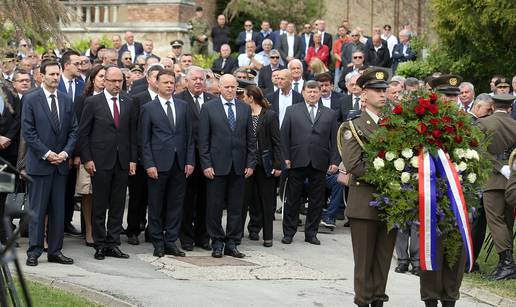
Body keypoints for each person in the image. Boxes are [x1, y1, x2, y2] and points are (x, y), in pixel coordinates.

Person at [339, 67, 396, 307]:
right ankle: (363, 300)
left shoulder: (396, 124)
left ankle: (379, 299)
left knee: (383, 259)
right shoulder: (353, 126)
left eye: (385, 89)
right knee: (364, 260)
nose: (382, 94)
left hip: (393, 201)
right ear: (364, 93)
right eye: (376, 90)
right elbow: (355, 164)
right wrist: (391, 177)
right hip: (365, 202)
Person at [23, 60, 78, 266]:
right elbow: (28, 131)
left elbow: (74, 130)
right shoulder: (31, 99)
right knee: (37, 210)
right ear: (42, 75)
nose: (55, 78)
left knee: (58, 210)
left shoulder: (65, 100)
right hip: (40, 165)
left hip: (61, 165)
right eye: (51, 74)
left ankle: (55, 251)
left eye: (57, 74)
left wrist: (64, 153)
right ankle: (34, 251)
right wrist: (47, 153)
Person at [78, 66, 137, 261]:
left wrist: (132, 160)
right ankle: (100, 244)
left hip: (122, 162)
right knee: (100, 205)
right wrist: (87, 159)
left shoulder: (128, 102)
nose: (117, 84)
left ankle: (113, 243)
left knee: (118, 204)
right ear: (105, 81)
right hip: (100, 162)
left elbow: (132, 134)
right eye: (113, 81)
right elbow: (83, 133)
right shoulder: (93, 102)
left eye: (120, 81)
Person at [420, 75, 468, 307]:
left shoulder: (468, 123)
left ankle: (450, 297)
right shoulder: (423, 124)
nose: (450, 100)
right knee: (432, 248)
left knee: (455, 252)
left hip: (459, 197)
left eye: (453, 95)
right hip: (430, 196)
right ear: (435, 97)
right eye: (446, 95)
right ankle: (430, 298)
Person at [198, 74, 256, 258]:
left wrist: (250, 163)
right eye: (227, 87)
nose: (230, 90)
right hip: (216, 166)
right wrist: (206, 164)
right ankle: (216, 242)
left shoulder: (244, 109)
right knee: (214, 207)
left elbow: (250, 139)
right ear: (220, 88)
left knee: (236, 207)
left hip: (239, 167)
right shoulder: (208, 108)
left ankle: (232, 242)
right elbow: (203, 140)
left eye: (233, 87)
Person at [141, 69, 194, 257]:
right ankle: (157, 242)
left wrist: (190, 161)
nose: (169, 86)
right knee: (156, 205)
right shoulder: (148, 108)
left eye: (172, 82)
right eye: (165, 82)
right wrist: (149, 164)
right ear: (156, 83)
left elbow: (189, 137)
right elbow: (144, 140)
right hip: (158, 164)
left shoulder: (183, 106)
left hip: (180, 164)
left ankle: (171, 240)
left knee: (176, 204)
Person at [280, 80, 339, 245]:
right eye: (309, 92)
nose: (312, 95)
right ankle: (289, 232)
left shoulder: (330, 113)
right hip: (296, 160)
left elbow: (334, 139)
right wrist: (285, 158)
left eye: (315, 92)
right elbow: (284, 136)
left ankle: (311, 233)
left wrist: (335, 160)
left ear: (320, 93)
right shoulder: (292, 111)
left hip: (320, 161)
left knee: (317, 200)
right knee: (292, 199)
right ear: (304, 93)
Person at [174, 66, 216, 251]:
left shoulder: (212, 100)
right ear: (187, 81)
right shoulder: (178, 100)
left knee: (206, 200)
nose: (199, 81)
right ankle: (186, 237)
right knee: (187, 200)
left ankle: (203, 236)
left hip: (209, 159)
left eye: (202, 78)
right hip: (187, 159)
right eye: (195, 79)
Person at [477, 93, 516, 281]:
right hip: (512, 179)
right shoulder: (514, 124)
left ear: (492, 105)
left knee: (496, 222)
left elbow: (479, 151)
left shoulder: (483, 123)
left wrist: (500, 167)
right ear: (509, 107)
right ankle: (507, 264)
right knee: (507, 221)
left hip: (492, 179)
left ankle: (507, 264)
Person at [126, 64, 164, 245]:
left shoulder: (168, 99)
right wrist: (133, 158)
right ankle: (133, 230)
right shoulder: (137, 98)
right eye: (155, 77)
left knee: (157, 198)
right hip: (141, 157)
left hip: (161, 157)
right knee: (137, 196)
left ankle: (153, 231)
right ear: (148, 79)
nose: (158, 81)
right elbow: (132, 131)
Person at [241, 85, 282, 247]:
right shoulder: (244, 114)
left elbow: (277, 142)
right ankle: (237, 235)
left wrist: (278, 165)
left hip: (266, 164)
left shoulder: (270, 116)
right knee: (244, 200)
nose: (243, 99)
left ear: (251, 98)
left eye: (244, 96)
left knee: (266, 201)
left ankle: (268, 237)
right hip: (247, 164)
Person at [73, 65, 106, 247]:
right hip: (88, 153)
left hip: (107, 154)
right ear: (93, 79)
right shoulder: (83, 100)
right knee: (88, 193)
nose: (103, 79)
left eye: (105, 76)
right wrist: (79, 154)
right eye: (101, 76)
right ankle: (89, 231)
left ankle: (101, 229)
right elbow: (78, 129)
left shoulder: (116, 99)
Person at [0, 82, 21, 245]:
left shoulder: (11, 94)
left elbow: (18, 119)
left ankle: (2, 232)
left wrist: (8, 137)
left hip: (7, 153)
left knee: (3, 194)